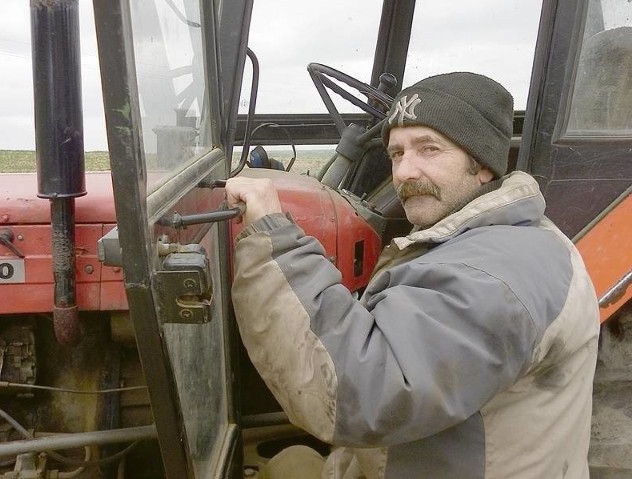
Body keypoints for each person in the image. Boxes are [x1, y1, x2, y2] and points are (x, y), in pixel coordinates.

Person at [225, 72, 600, 479]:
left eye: (429, 149)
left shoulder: (492, 276)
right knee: (291, 461)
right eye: (397, 153)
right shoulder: (485, 238)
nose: (404, 171)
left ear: (484, 167)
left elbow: (361, 394)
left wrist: (275, 243)